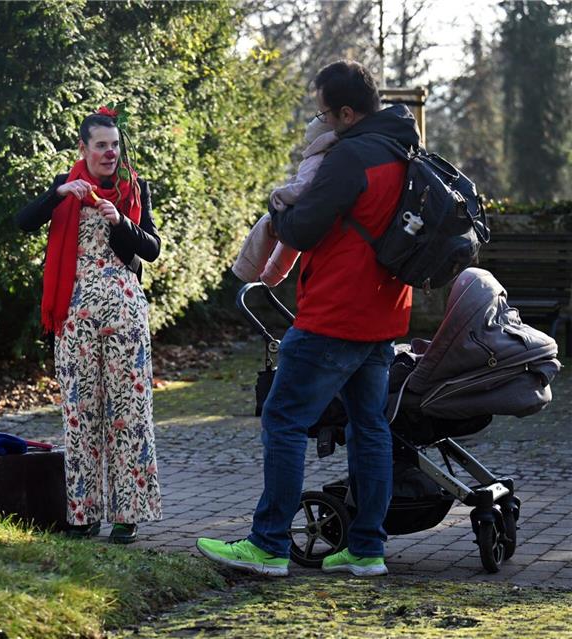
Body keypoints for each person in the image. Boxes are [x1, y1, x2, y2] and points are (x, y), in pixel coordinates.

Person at [198, 60, 420, 576]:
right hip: (384, 315)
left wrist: (277, 211)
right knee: (370, 427)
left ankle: (269, 545)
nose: (320, 121)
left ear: (346, 112)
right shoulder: (401, 148)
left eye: (324, 111)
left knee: (283, 419)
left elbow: (300, 230)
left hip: (335, 314)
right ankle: (367, 549)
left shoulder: (350, 158)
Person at [15, 106, 162, 544]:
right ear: (84, 147)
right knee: (81, 413)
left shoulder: (134, 190)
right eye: (101, 145)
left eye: (115, 145)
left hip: (125, 313)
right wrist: (59, 195)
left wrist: (122, 223)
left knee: (129, 412)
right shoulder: (66, 187)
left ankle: (127, 514)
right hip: (74, 316)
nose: (110, 153)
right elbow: (23, 222)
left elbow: (151, 249)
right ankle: (82, 512)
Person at [232, 116, 338, 287]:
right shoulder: (331, 156)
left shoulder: (316, 159)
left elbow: (301, 187)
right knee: (289, 243)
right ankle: (273, 274)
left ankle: (246, 269)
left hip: (301, 206)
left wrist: (279, 195)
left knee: (268, 223)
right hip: (312, 212)